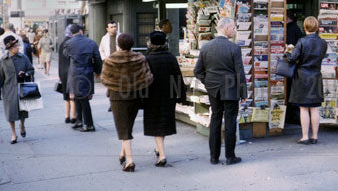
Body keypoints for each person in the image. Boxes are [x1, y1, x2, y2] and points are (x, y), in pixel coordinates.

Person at [194, 18, 246, 165]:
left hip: (213, 90)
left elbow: (198, 71)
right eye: (234, 28)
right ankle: (230, 156)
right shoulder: (234, 48)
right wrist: (243, 93)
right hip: (231, 89)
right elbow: (239, 73)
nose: (235, 30)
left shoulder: (206, 47)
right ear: (227, 28)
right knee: (230, 122)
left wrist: (208, 83)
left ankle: (214, 157)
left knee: (215, 120)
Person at [101, 33, 153, 173]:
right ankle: (122, 153)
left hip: (117, 97)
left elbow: (104, 80)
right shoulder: (140, 58)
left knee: (123, 128)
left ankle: (129, 161)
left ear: (118, 44)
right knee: (128, 125)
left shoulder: (110, 60)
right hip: (135, 96)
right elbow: (148, 78)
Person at [143, 31, 187, 167]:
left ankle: (162, 155)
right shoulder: (171, 57)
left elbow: (144, 80)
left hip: (152, 97)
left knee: (156, 125)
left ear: (150, 43)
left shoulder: (148, 59)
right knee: (162, 124)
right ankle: (158, 148)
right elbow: (178, 78)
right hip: (168, 96)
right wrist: (181, 96)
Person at [285, 16, 328, 145]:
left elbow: (292, 59)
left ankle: (305, 137)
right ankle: (315, 136)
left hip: (302, 77)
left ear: (305, 27)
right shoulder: (323, 43)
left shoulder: (302, 42)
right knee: (314, 108)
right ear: (317, 27)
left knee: (303, 108)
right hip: (316, 76)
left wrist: (288, 51)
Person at [0, 35, 35, 144]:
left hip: (22, 88)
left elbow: (31, 70)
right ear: (9, 48)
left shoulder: (23, 58)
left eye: (17, 45)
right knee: (10, 113)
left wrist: (26, 74)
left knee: (23, 111)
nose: (17, 48)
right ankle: (13, 134)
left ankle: (22, 125)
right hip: (9, 90)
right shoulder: (3, 61)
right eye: (15, 46)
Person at [63, 24, 102, 132]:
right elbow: (98, 58)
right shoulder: (91, 42)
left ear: (72, 33)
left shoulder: (68, 43)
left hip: (74, 73)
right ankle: (80, 121)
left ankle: (89, 124)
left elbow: (66, 55)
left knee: (80, 98)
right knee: (81, 98)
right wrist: (98, 71)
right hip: (87, 72)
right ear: (81, 31)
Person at [99, 20, 119, 112]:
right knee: (111, 85)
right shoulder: (104, 38)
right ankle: (112, 103)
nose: (114, 28)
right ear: (107, 29)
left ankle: (118, 103)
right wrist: (104, 59)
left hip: (119, 64)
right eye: (111, 27)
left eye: (115, 26)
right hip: (109, 64)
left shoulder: (120, 36)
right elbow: (101, 50)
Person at [58, 24, 77, 124]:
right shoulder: (72, 43)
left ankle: (67, 116)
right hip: (71, 71)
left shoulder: (62, 43)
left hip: (63, 72)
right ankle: (73, 116)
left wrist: (59, 74)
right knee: (72, 94)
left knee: (66, 94)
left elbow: (60, 60)